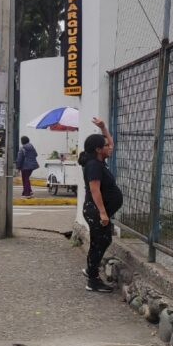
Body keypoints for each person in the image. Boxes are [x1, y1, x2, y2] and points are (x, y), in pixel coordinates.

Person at [79, 117, 122, 293]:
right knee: (100, 242)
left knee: (102, 241)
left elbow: (111, 143)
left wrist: (104, 128)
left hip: (96, 210)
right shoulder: (94, 166)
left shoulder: (98, 160)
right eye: (105, 146)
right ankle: (93, 280)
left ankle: (91, 270)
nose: (109, 147)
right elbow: (95, 190)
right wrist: (103, 213)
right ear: (98, 149)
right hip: (95, 211)